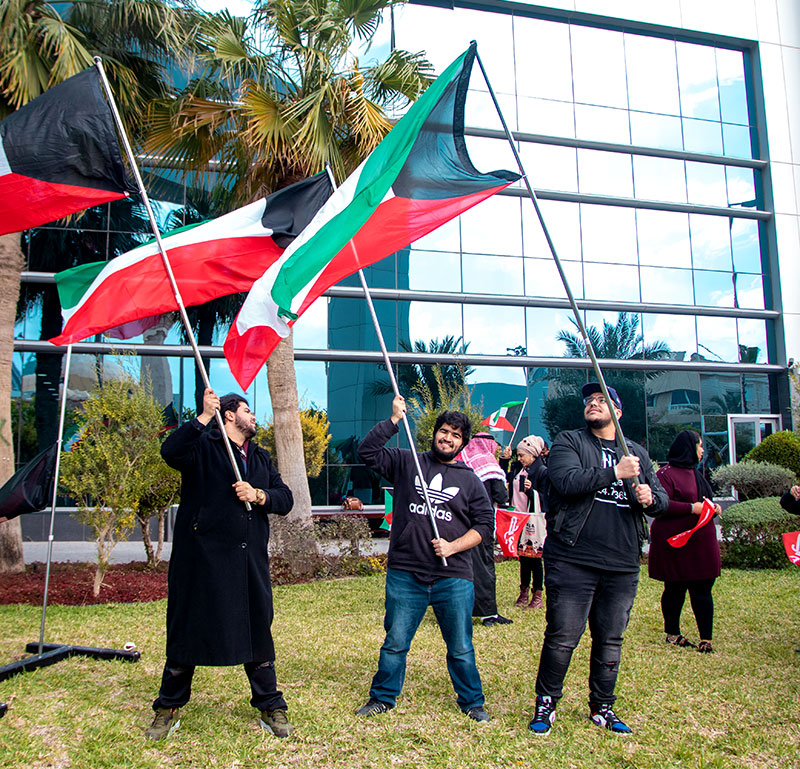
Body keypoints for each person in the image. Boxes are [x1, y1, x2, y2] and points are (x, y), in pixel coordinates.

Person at [145, 388, 294, 741]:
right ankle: (168, 707)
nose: (253, 416)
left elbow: (284, 498)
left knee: (257, 631)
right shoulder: (203, 446)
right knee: (187, 632)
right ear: (229, 415)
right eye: (246, 410)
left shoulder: (259, 456)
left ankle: (271, 704)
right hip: (201, 562)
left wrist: (259, 496)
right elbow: (170, 451)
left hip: (247, 563)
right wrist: (201, 419)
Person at [528, 382, 668, 737]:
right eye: (589, 400)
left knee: (610, 639)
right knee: (563, 636)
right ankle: (546, 704)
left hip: (622, 563)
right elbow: (563, 482)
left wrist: (649, 497)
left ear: (617, 413)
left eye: (601, 400)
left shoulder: (636, 452)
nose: (593, 403)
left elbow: (662, 501)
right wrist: (614, 473)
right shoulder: (570, 441)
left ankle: (602, 707)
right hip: (573, 557)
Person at [355, 395, 495, 722]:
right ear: (434, 433)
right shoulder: (409, 463)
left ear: (463, 442)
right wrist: (392, 421)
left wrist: (454, 546)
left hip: (454, 576)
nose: (447, 438)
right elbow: (367, 453)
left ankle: (472, 702)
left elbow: (485, 525)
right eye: (443, 431)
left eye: (456, 435)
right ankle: (382, 698)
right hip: (406, 573)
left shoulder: (470, 481)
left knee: (460, 647)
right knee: (395, 643)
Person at [649, 431, 722, 654]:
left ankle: (706, 638)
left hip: (700, 540)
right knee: (675, 586)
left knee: (703, 587)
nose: (702, 451)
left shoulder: (696, 473)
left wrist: (713, 508)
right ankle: (673, 633)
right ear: (689, 448)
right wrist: (692, 508)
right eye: (699, 446)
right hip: (676, 541)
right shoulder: (665, 474)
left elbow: (705, 501)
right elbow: (661, 505)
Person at [457, 432, 513, 627]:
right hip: (481, 524)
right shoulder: (488, 463)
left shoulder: (463, 461)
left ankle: (458, 610)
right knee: (484, 567)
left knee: (461, 567)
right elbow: (501, 494)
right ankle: (488, 614)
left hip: (459, 523)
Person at [502, 436, 549, 610]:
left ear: (533, 455)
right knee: (523, 559)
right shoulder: (517, 468)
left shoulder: (542, 471)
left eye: (522, 455)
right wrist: (504, 460)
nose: (520, 458)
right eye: (518, 455)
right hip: (517, 517)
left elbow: (546, 499)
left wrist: (531, 492)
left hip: (532, 520)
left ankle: (537, 594)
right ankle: (523, 591)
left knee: (535, 558)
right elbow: (503, 477)